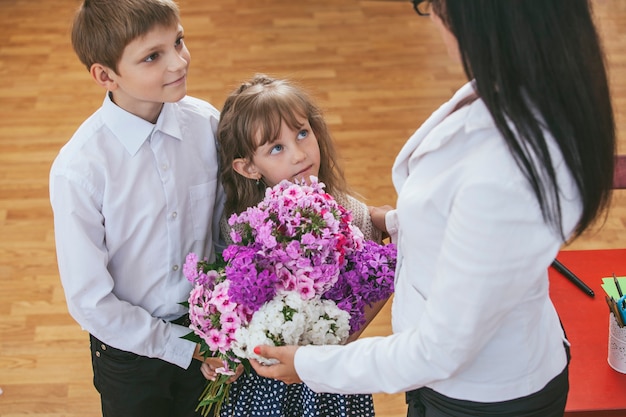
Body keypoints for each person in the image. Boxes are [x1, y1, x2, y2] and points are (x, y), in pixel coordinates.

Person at [249, 1, 616, 416]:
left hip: (481, 395)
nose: (437, 20)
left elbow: (440, 350)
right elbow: (463, 220)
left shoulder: (507, 173)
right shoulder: (505, 93)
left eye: (438, 8)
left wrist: (309, 364)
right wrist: (393, 222)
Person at [49, 1, 225, 416]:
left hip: (206, 333)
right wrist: (176, 345)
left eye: (178, 41)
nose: (178, 62)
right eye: (152, 56)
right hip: (128, 355)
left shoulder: (207, 126)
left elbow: (223, 228)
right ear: (105, 75)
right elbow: (90, 300)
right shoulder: (79, 170)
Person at [202, 73, 385, 417]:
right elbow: (231, 310)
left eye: (302, 133)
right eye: (276, 148)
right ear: (247, 167)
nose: (300, 154)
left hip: (329, 378)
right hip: (262, 382)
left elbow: (376, 287)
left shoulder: (351, 214)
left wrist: (329, 346)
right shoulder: (237, 228)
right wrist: (223, 355)